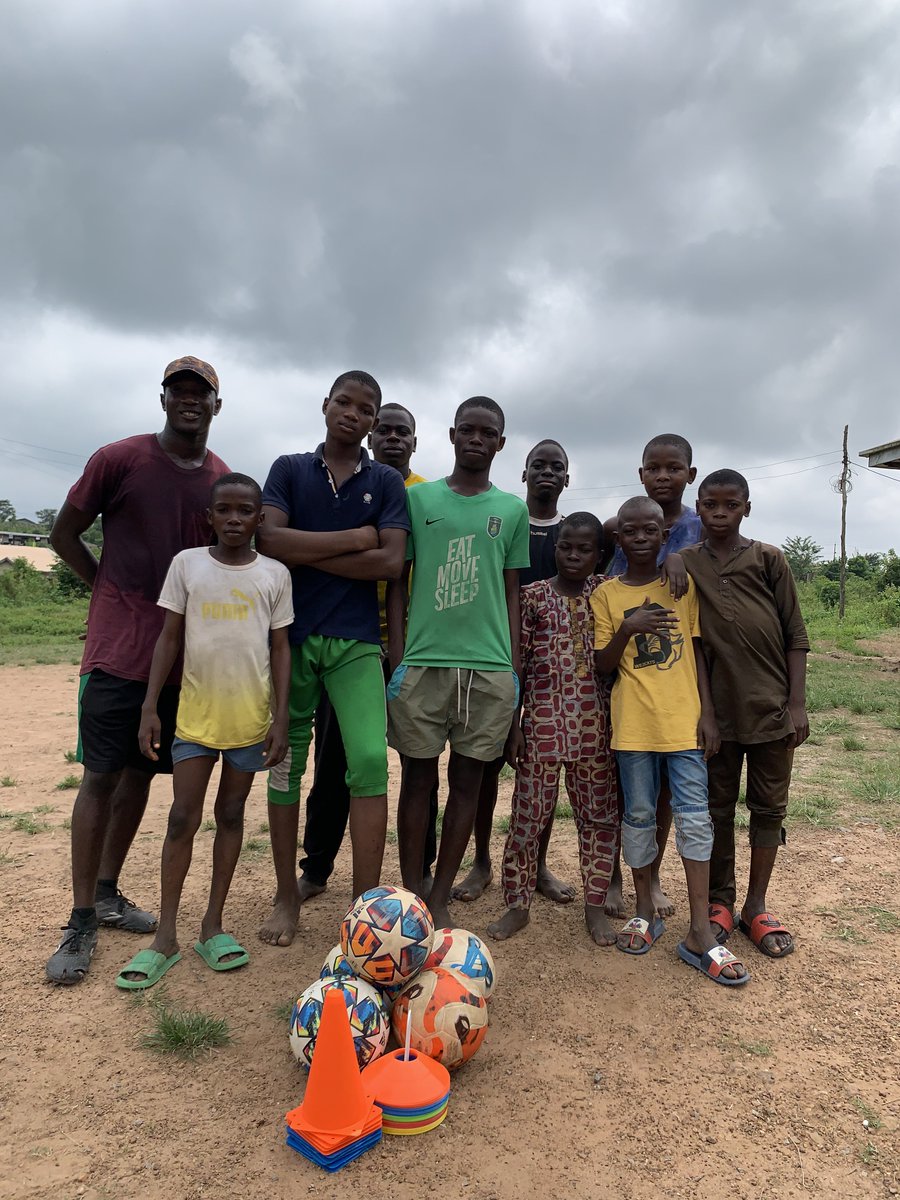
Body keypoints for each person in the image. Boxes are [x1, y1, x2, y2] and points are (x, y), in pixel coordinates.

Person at [46, 356, 228, 985]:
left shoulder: (221, 482)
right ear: (163, 400)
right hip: (118, 652)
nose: (189, 402)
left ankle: (106, 891)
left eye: (199, 394)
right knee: (99, 777)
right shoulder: (119, 459)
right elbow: (64, 534)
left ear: (215, 407)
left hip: (183, 664)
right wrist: (105, 590)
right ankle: (78, 921)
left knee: (141, 777)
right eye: (178, 392)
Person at [115, 474, 293, 989]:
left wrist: (280, 717)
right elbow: (168, 638)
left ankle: (212, 925)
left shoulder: (274, 574)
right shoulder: (187, 565)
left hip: (249, 720)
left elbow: (280, 648)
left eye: (245, 511)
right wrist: (150, 706)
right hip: (194, 719)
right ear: (210, 517)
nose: (234, 519)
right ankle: (165, 937)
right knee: (180, 819)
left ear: (260, 518)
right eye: (224, 510)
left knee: (231, 815)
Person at [257, 371, 409, 946]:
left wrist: (306, 548)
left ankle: (363, 908)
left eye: (364, 407)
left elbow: (391, 564)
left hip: (355, 642)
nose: (352, 412)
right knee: (285, 762)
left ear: (374, 419)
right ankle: (285, 896)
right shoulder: (289, 469)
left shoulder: (386, 480)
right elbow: (269, 541)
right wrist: (355, 537)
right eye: (343, 401)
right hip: (290, 637)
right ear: (325, 405)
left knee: (369, 760)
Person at [592, 496, 748, 985]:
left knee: (695, 820)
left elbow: (698, 654)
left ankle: (700, 930)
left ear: (666, 536)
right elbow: (601, 665)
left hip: (684, 726)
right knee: (638, 818)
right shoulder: (607, 595)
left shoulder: (683, 586)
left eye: (650, 531)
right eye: (631, 532)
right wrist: (628, 628)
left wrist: (709, 716)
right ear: (619, 540)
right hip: (634, 727)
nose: (641, 538)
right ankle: (646, 911)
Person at [386, 397, 530, 928]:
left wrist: (513, 669)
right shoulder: (418, 500)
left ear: (500, 442)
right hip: (422, 665)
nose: (475, 438)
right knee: (417, 782)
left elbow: (512, 593)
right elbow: (397, 582)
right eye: (466, 429)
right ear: (451, 435)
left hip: (489, 669)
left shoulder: (510, 510)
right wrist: (399, 657)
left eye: (486, 432)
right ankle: (411, 891)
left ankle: (441, 893)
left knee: (468, 785)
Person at [296, 403, 438, 902]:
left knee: (418, 760)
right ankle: (316, 868)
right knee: (334, 760)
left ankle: (419, 870)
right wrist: (360, 549)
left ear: (416, 442)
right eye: (388, 430)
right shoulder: (352, 486)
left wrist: (322, 554)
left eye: (405, 431)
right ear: (373, 436)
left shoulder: (424, 495)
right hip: (349, 636)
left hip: (413, 645)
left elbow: (395, 565)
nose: (395, 438)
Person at [681, 470, 809, 957]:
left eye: (730, 505)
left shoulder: (769, 559)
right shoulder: (687, 563)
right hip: (718, 715)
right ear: (698, 507)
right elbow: (693, 643)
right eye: (710, 505)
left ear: (746, 509)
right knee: (716, 809)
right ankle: (719, 902)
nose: (719, 513)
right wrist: (706, 714)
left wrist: (796, 704)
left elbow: (795, 634)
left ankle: (755, 905)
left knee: (769, 809)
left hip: (772, 709)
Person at [452, 439, 585, 905]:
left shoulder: (573, 535)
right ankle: (483, 862)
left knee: (541, 770)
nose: (547, 472)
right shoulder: (506, 520)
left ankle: (539, 864)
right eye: (538, 465)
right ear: (523, 474)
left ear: (567, 479)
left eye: (557, 466)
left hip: (552, 670)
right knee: (485, 764)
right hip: (495, 653)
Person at [487, 513, 618, 945]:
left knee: (598, 821)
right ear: (555, 548)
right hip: (540, 728)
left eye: (585, 549)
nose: (574, 555)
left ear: (600, 555)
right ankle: (517, 905)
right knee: (527, 820)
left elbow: (621, 528)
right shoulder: (532, 597)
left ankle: (595, 907)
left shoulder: (606, 593)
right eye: (566, 547)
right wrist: (512, 726)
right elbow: (516, 666)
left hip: (594, 730)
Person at [603, 433, 701, 921]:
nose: (664, 476)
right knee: (625, 787)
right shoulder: (621, 524)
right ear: (641, 473)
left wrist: (679, 556)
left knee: (662, 792)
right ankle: (620, 877)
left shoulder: (698, 528)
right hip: (623, 674)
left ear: (690, 473)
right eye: (653, 468)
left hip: (675, 675)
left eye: (673, 468)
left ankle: (655, 875)